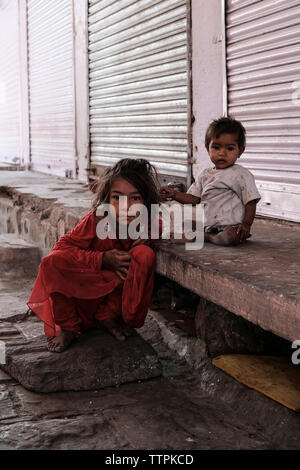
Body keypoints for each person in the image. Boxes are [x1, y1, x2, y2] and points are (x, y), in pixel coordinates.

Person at [27, 158, 161, 353]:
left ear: (147, 202)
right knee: (51, 263)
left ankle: (109, 317)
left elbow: (158, 223)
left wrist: (149, 234)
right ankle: (68, 327)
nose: (126, 206)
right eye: (117, 198)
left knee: (144, 254)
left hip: (113, 294)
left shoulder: (147, 222)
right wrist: (101, 259)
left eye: (135, 198)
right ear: (106, 200)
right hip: (84, 291)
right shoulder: (97, 219)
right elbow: (62, 248)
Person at [160, 116, 261, 246]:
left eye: (230, 148)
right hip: (208, 225)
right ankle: (206, 235)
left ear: (240, 150)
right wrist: (174, 194)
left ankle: (204, 237)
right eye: (216, 147)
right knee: (187, 223)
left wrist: (246, 225)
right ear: (208, 148)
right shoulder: (205, 174)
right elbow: (194, 198)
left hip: (230, 227)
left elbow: (251, 202)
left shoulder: (241, 174)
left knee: (231, 237)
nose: (222, 153)